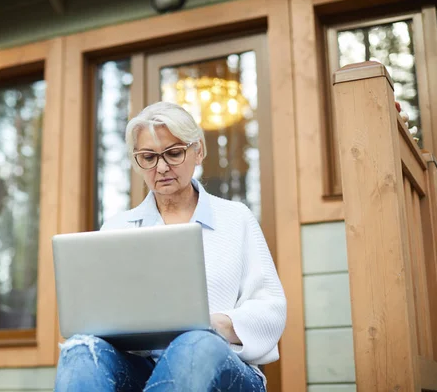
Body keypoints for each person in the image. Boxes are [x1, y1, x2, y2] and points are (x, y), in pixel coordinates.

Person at [54, 102, 287, 391]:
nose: (161, 167)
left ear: (198, 151)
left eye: (174, 153)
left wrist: (216, 325)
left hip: (222, 367)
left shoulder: (235, 218)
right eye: (148, 157)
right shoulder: (117, 228)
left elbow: (271, 309)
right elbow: (98, 315)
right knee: (81, 348)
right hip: (142, 367)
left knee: (196, 342)